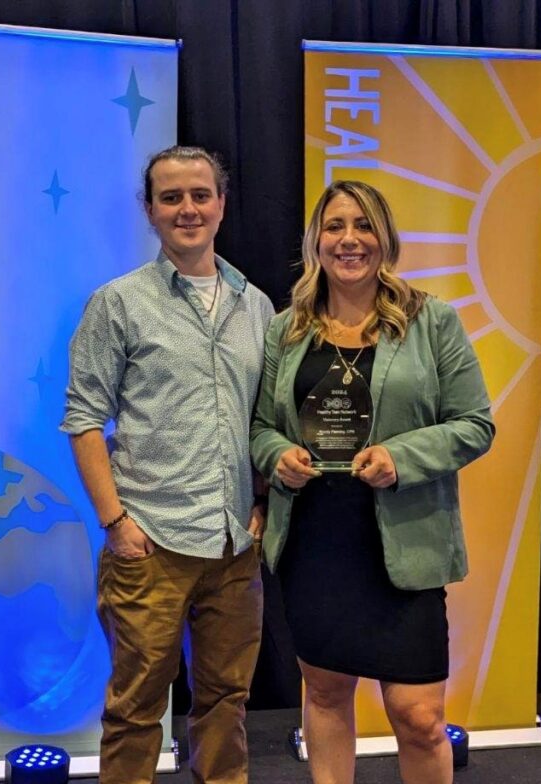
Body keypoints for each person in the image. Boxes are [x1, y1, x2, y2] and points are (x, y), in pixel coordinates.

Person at [250, 181, 495, 784]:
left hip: (406, 544)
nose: (349, 239)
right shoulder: (286, 330)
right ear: (316, 242)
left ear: (385, 238)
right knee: (325, 694)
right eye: (335, 226)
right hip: (315, 541)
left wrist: (400, 457)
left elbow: (475, 424)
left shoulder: (432, 321)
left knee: (419, 717)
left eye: (363, 225)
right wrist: (278, 455)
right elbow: (259, 428)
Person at [62, 145, 274, 784]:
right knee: (135, 710)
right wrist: (116, 523)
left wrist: (263, 504)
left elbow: (267, 418)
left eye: (200, 195)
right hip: (149, 544)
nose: (188, 209)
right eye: (171, 197)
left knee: (227, 701)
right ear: (150, 210)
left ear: (222, 204)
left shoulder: (257, 305)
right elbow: (83, 419)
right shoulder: (118, 303)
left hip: (235, 545)